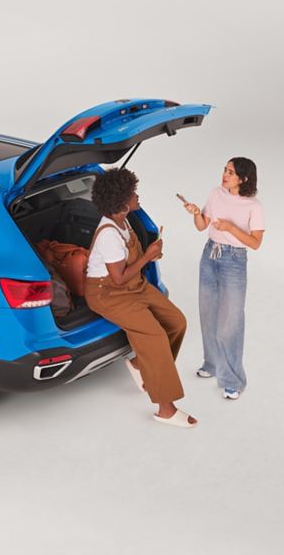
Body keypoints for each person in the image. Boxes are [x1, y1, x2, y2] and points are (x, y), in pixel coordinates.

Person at [85, 168, 197, 428]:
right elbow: (118, 278)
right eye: (133, 193)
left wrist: (150, 253)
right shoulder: (109, 235)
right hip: (108, 293)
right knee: (154, 336)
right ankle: (165, 408)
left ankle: (140, 365)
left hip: (133, 285)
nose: (137, 196)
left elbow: (129, 272)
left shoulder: (124, 221)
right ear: (122, 202)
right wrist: (147, 257)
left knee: (176, 322)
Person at [182, 157, 264, 400]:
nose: (224, 175)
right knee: (208, 314)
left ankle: (233, 380)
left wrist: (231, 229)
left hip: (233, 262)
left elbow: (255, 243)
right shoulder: (216, 194)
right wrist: (196, 213)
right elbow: (201, 226)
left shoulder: (253, 206)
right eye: (224, 170)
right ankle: (212, 364)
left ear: (244, 178)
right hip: (209, 255)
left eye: (230, 172)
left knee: (230, 321)